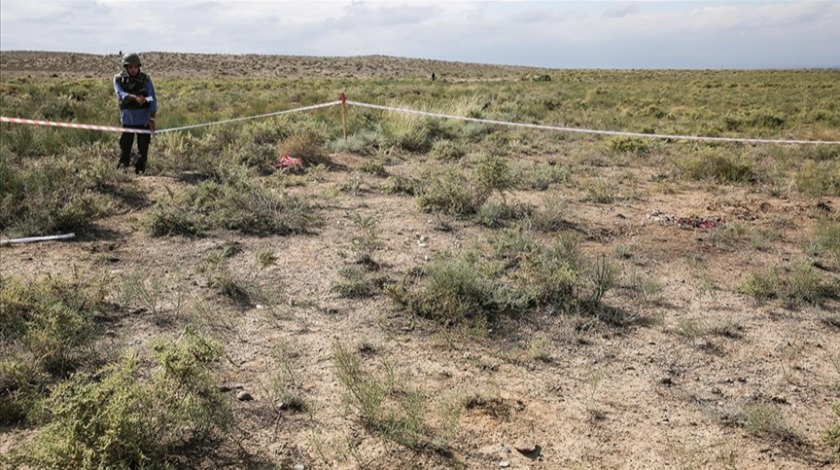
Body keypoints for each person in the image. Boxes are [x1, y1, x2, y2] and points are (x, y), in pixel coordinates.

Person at [113, 52, 157, 174]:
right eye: (130, 67)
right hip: (127, 120)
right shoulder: (119, 79)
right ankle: (122, 172)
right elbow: (121, 94)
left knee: (143, 148)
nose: (133, 70)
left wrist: (152, 119)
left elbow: (152, 99)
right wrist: (135, 98)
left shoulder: (146, 79)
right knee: (125, 147)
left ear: (138, 67)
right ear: (126, 67)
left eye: (135, 67)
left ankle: (140, 172)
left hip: (144, 120)